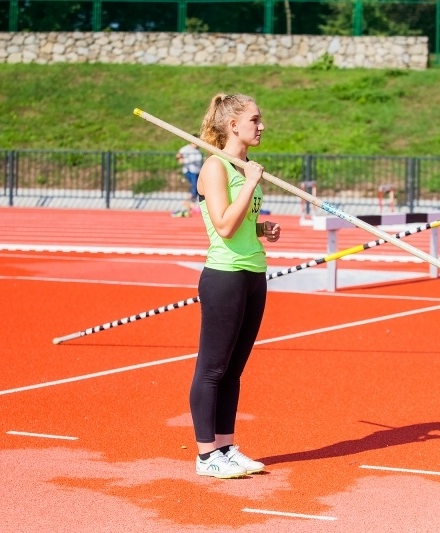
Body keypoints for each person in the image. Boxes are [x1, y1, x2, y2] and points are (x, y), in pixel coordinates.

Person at [190, 93, 281, 479]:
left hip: (253, 271)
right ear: (234, 126)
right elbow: (223, 226)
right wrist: (250, 182)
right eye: (255, 120)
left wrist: (263, 229)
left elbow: (240, 224)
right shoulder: (216, 167)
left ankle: (226, 446)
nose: (261, 126)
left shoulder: (244, 166)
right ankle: (206, 455)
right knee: (212, 368)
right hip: (224, 275)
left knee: (234, 369)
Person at [172, 136, 203, 217]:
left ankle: (190, 202)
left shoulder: (198, 150)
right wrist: (182, 160)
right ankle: (190, 201)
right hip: (190, 171)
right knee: (194, 185)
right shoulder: (186, 149)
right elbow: (178, 155)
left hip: (197, 171)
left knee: (197, 186)